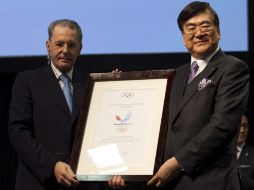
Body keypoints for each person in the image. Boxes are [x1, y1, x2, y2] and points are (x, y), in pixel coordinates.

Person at [109, 1, 249, 190]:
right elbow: (154, 124)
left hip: (210, 181)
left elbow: (221, 126)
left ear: (218, 30)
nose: (198, 33)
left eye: (205, 25)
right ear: (183, 38)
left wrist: (177, 163)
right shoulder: (177, 75)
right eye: (190, 28)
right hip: (172, 183)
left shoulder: (232, 68)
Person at [9, 19, 87, 190]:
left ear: (80, 49)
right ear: (48, 46)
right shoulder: (27, 80)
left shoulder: (91, 84)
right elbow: (18, 132)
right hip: (38, 182)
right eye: (59, 44)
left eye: (72, 45)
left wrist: (112, 86)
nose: (65, 50)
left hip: (81, 183)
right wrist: (52, 166)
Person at [237, 113, 254, 189]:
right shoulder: (220, 153)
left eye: (245, 126)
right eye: (239, 126)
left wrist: (239, 177)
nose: (242, 131)